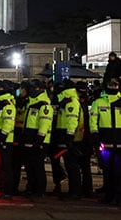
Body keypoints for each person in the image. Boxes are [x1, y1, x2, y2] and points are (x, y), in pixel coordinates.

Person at [90, 77, 121, 205]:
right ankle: (109, 195)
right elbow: (93, 121)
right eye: (111, 84)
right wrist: (95, 135)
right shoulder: (98, 102)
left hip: (119, 142)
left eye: (115, 84)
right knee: (107, 171)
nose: (113, 86)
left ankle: (118, 197)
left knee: (119, 171)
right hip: (105, 141)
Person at [21, 79, 54, 198]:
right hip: (29, 139)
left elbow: (44, 125)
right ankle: (31, 187)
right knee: (29, 167)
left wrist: (39, 140)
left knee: (38, 166)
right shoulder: (31, 103)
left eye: (34, 88)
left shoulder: (44, 105)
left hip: (39, 141)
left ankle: (40, 190)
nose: (31, 90)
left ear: (40, 89)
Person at [52, 79, 83, 200]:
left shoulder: (71, 102)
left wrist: (69, 138)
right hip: (66, 136)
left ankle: (75, 192)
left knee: (72, 166)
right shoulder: (66, 101)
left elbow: (72, 121)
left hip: (70, 138)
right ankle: (73, 191)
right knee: (70, 165)